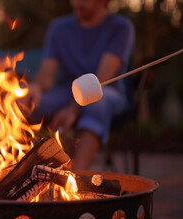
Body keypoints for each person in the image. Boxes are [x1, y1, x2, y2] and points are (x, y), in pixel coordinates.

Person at [27, 0, 134, 170]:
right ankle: (15, 175)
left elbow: (103, 78)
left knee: (97, 101)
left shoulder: (121, 27)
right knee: (24, 102)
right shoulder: (59, 28)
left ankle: (76, 179)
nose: (77, 3)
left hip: (107, 91)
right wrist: (34, 88)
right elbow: (46, 77)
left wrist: (73, 108)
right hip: (66, 91)